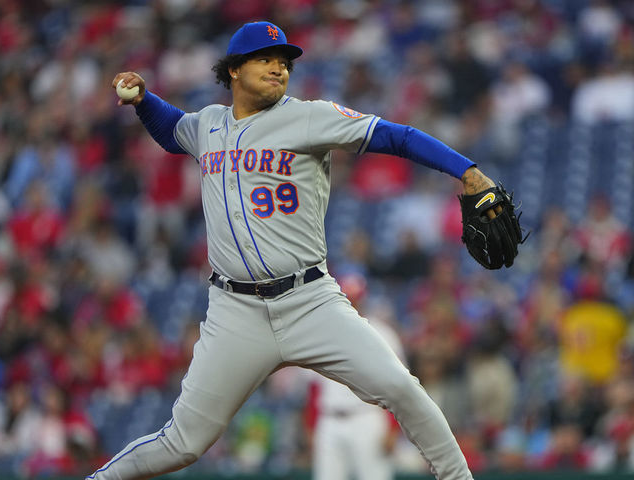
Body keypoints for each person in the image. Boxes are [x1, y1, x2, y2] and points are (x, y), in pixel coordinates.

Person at [87, 20, 506, 480]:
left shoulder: (308, 116)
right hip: (236, 311)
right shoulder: (207, 124)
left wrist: (466, 171)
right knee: (183, 442)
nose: (278, 69)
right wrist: (145, 102)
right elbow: (173, 131)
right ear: (233, 70)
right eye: (265, 59)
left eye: (284, 63)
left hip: (310, 300)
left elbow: (396, 136)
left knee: (400, 388)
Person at [306, 273, 404, 480]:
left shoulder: (383, 334)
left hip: (367, 419)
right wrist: (312, 427)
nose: (351, 303)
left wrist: (394, 428)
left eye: (355, 298)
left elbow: (398, 386)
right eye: (346, 297)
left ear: (363, 299)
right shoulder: (321, 335)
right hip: (329, 419)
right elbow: (315, 388)